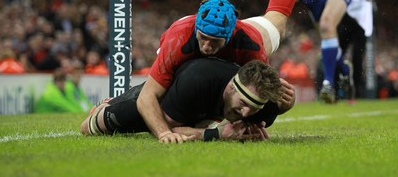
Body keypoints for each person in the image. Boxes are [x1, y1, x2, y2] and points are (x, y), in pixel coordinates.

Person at [128, 0, 328, 143]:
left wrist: (279, 108)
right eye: (203, 38)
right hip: (185, 44)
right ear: (197, 29)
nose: (207, 46)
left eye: (215, 41)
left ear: (230, 35)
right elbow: (147, 96)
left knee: (278, 20)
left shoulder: (249, 45)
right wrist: (164, 133)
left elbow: (257, 98)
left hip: (248, 35)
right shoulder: (177, 40)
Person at [81, 58, 295, 142]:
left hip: (197, 104)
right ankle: (107, 105)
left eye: (254, 108)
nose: (247, 113)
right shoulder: (198, 81)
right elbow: (166, 128)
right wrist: (214, 134)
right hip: (171, 97)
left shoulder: (264, 106)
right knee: (92, 126)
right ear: (231, 87)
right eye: (244, 104)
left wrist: (286, 106)